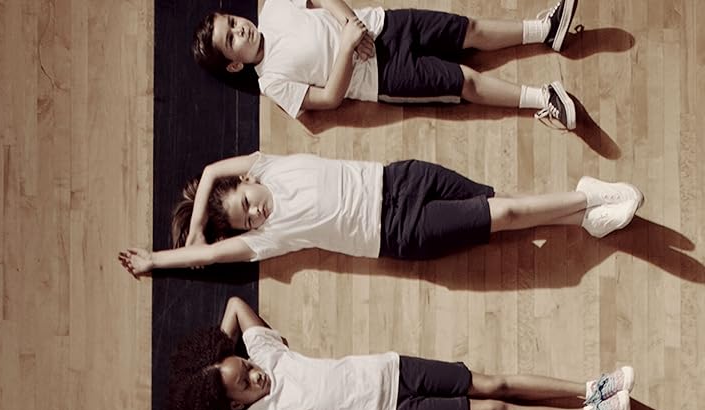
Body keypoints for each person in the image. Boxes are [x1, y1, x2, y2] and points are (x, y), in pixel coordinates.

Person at [170, 299, 632, 410]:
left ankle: (588, 387)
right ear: (235, 404)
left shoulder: (267, 354)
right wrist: (214, 405)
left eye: (246, 365)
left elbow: (234, 306)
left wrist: (216, 367)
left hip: (394, 371)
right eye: (245, 384)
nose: (256, 374)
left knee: (494, 381)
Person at [118, 150, 642, 277]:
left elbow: (211, 168)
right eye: (247, 220)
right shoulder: (270, 237)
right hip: (398, 231)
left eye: (246, 204)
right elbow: (213, 255)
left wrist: (194, 225)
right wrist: (158, 260)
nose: (255, 213)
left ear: (247, 181)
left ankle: (583, 219)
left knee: (498, 203)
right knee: (501, 215)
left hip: (401, 178)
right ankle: (589, 197)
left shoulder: (267, 165)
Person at [193, 1, 583, 127]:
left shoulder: (273, 8)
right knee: (465, 82)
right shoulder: (271, 83)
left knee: (469, 30)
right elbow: (328, 100)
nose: (240, 30)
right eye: (231, 40)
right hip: (384, 77)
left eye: (232, 23)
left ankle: (544, 30)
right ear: (234, 65)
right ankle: (542, 100)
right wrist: (347, 49)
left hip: (387, 25)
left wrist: (352, 23)